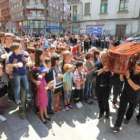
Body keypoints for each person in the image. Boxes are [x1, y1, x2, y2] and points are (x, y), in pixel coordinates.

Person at [111, 60, 140, 131]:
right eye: (135, 68)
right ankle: (117, 125)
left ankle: (128, 118)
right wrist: (122, 72)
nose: (136, 70)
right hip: (125, 94)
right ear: (133, 66)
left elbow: (135, 87)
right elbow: (121, 80)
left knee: (131, 108)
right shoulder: (129, 71)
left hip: (135, 96)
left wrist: (128, 78)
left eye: (138, 69)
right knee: (121, 110)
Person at [93, 51, 111, 119]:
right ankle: (101, 111)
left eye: (105, 57)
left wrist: (109, 71)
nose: (103, 59)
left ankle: (107, 112)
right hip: (98, 86)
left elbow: (112, 77)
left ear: (108, 57)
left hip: (106, 86)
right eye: (102, 57)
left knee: (105, 101)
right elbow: (94, 73)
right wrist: (102, 69)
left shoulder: (110, 65)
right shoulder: (98, 63)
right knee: (99, 100)